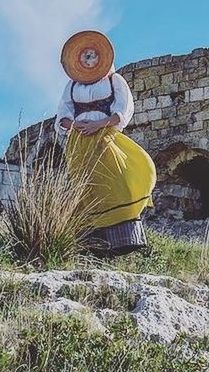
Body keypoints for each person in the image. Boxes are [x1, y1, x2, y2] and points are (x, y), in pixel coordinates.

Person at [55, 30, 156, 257]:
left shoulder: (114, 80)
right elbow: (63, 111)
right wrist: (71, 124)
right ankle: (89, 241)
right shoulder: (73, 86)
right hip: (79, 142)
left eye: (92, 55)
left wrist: (100, 124)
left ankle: (124, 239)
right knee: (86, 188)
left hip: (103, 137)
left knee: (117, 182)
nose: (89, 59)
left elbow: (123, 108)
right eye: (85, 56)